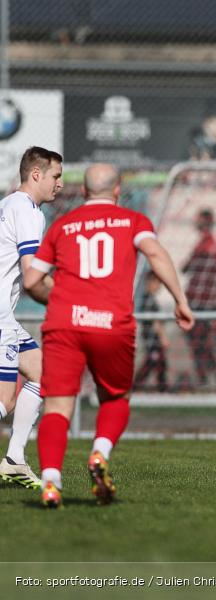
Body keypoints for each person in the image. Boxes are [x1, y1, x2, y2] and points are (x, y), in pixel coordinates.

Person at [24, 163, 194, 508]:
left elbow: (31, 281)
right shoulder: (134, 221)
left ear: (83, 191)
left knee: (58, 405)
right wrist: (180, 300)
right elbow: (155, 253)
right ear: (117, 191)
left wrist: (56, 296)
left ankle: (52, 481)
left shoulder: (62, 226)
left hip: (64, 323)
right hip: (111, 323)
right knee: (116, 397)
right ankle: (99, 453)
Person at [0, 147, 62, 489]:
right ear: (36, 174)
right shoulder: (28, 211)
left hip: (4, 317)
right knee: (5, 400)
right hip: (0, 319)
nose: (60, 184)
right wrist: (68, 298)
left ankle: (14, 460)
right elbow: (31, 274)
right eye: (55, 176)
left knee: (44, 372)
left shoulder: (8, 204)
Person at [182, 208, 216, 390]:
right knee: (198, 339)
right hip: (201, 300)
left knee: (199, 339)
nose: (195, 223)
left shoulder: (207, 246)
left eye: (198, 220)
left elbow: (187, 267)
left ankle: (211, 373)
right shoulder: (206, 244)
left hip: (201, 302)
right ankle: (211, 373)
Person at [134, 271, 170, 392]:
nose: (159, 286)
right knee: (152, 361)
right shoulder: (149, 300)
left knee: (160, 362)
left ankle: (162, 388)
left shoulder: (147, 299)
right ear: (150, 282)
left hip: (151, 338)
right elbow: (156, 322)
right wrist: (163, 338)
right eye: (157, 283)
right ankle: (136, 386)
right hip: (152, 338)